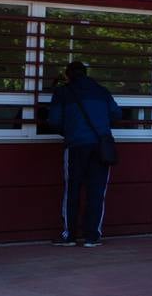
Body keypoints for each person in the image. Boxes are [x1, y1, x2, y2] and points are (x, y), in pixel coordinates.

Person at [47, 62, 121, 248]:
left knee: (72, 190)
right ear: (86, 74)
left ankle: (69, 235)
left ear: (69, 75)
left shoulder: (63, 92)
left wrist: (70, 131)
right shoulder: (102, 91)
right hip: (100, 147)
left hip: (75, 146)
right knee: (96, 192)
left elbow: (54, 121)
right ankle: (92, 236)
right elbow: (116, 114)